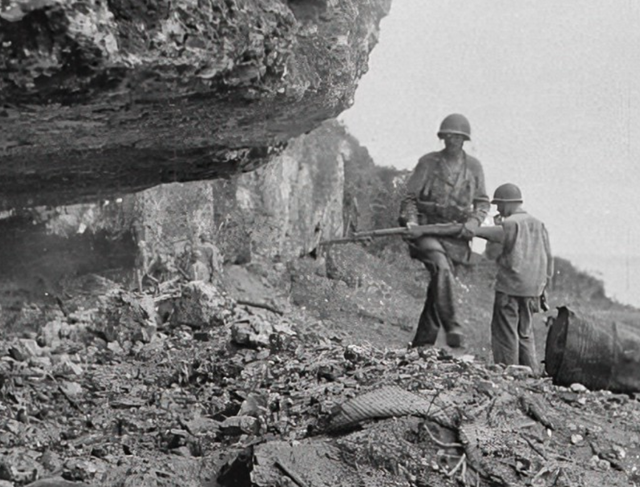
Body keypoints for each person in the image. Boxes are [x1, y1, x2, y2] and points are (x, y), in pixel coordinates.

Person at [399, 114, 490, 349]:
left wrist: (474, 222)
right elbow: (409, 198)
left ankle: (423, 344)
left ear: (464, 140)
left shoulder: (474, 167)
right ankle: (453, 326)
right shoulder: (428, 163)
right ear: (442, 138)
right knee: (441, 267)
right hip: (426, 231)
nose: (453, 140)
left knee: (440, 286)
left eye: (458, 137)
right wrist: (410, 221)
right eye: (448, 136)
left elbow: (482, 203)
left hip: (456, 236)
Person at [471, 183, 553, 372]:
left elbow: (490, 250)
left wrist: (472, 229)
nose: (498, 209)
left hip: (510, 287)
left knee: (505, 333)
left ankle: (509, 375)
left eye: (499, 205)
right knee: (525, 334)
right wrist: (544, 287)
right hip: (533, 289)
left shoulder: (509, 224)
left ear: (507, 203)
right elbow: (549, 258)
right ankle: (530, 374)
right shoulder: (538, 224)